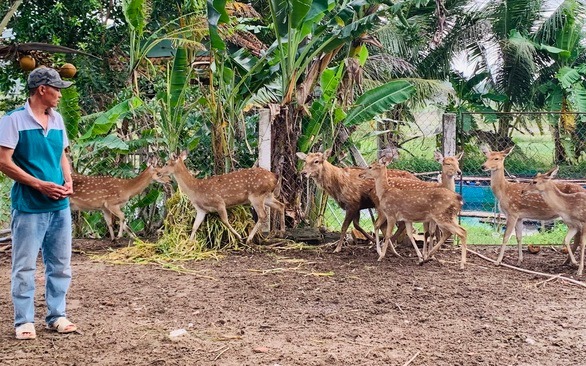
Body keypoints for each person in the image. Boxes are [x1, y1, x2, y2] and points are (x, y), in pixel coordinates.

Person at [0, 66, 77, 340]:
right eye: (56, 89)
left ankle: (57, 316)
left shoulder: (57, 120)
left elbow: (61, 156)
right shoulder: (13, 121)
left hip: (59, 207)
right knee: (25, 265)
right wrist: (38, 184)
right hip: (30, 207)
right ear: (42, 89)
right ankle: (24, 321)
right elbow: (3, 162)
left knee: (60, 264)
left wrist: (68, 181)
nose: (59, 95)